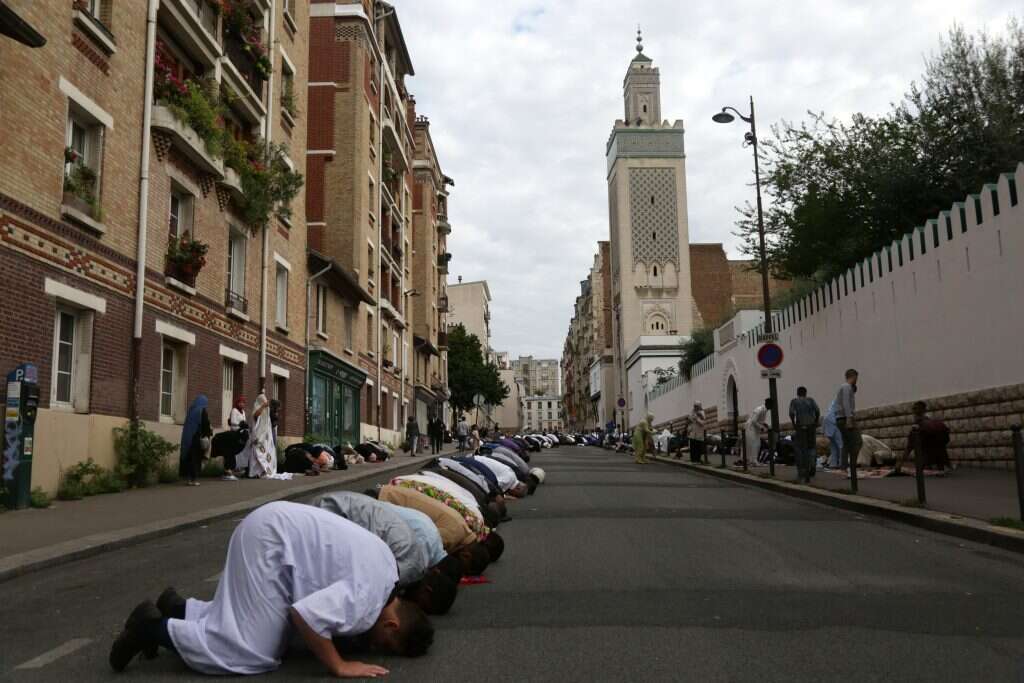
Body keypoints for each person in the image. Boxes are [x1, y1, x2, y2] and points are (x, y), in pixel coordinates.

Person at [108, 502, 433, 676]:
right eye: (384, 645)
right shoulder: (366, 602)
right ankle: (149, 629)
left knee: (252, 623)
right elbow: (307, 616)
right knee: (251, 652)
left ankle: (178, 608)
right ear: (392, 625)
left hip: (274, 530)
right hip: (270, 543)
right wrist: (339, 665)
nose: (374, 648)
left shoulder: (387, 573)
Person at [310, 492, 458, 615]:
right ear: (427, 591)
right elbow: (371, 595)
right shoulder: (409, 570)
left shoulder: (418, 560)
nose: (414, 607)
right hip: (330, 512)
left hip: (336, 505)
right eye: (422, 607)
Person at [904, 400, 952, 471]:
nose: (913, 411)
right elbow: (946, 439)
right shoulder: (934, 422)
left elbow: (909, 446)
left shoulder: (918, 425)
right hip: (941, 460)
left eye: (914, 409)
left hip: (928, 461)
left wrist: (900, 463)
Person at [241, 392, 278, 478]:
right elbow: (256, 415)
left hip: (265, 437)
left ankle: (262, 471)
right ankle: (254, 472)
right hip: (257, 436)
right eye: (263, 401)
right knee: (256, 454)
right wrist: (263, 406)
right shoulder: (257, 410)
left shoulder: (266, 411)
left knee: (264, 454)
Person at [789, 387, 821, 483]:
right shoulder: (811, 400)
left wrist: (794, 423)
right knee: (812, 447)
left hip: (800, 426)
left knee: (799, 448)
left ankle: (802, 470)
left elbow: (791, 413)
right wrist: (815, 421)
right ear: (805, 393)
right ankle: (812, 466)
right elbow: (817, 411)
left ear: (797, 393)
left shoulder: (794, 401)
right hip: (811, 426)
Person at [179, 396, 212, 487]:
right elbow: (205, 424)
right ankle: (194, 479)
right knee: (196, 458)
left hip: (188, 438)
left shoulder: (191, 410)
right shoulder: (202, 411)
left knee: (189, 457)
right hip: (197, 437)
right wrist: (208, 434)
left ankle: (188, 479)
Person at [834, 369, 863, 472]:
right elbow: (846, 403)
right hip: (845, 418)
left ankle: (844, 468)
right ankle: (853, 466)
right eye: (856, 378)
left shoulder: (843, 387)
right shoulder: (847, 387)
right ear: (853, 376)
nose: (857, 380)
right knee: (858, 442)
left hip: (840, 419)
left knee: (846, 444)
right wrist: (849, 419)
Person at [744, 399, 771, 467]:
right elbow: (753, 421)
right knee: (754, 444)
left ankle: (753, 460)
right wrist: (761, 427)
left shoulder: (765, 410)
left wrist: (764, 425)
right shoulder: (759, 409)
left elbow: (759, 421)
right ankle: (753, 461)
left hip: (755, 429)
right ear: (768, 404)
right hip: (750, 428)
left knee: (758, 444)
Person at [227, 396, 248, 478]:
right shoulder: (234, 410)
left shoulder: (243, 412)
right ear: (237, 403)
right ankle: (233, 468)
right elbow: (232, 421)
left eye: (243, 403)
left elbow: (244, 421)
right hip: (235, 432)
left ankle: (240, 468)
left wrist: (244, 425)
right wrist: (240, 424)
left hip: (242, 433)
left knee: (241, 451)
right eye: (240, 402)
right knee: (235, 451)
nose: (242, 404)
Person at [821, 398, 844, 469]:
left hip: (827, 421)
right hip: (834, 422)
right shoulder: (842, 401)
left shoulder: (834, 402)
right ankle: (842, 463)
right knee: (841, 445)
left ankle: (833, 464)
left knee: (833, 445)